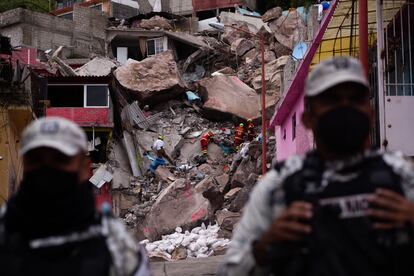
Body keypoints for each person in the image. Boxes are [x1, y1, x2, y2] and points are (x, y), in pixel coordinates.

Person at [221, 57, 414, 276]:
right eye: (331, 100)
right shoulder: (280, 185)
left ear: (370, 112)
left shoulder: (400, 175)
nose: (345, 108)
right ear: (308, 118)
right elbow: (230, 270)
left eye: (355, 99)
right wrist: (265, 247)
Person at [0, 117, 151, 276]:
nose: (47, 169)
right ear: (24, 163)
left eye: (61, 159)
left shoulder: (116, 244)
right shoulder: (3, 232)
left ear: (85, 168)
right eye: (36, 160)